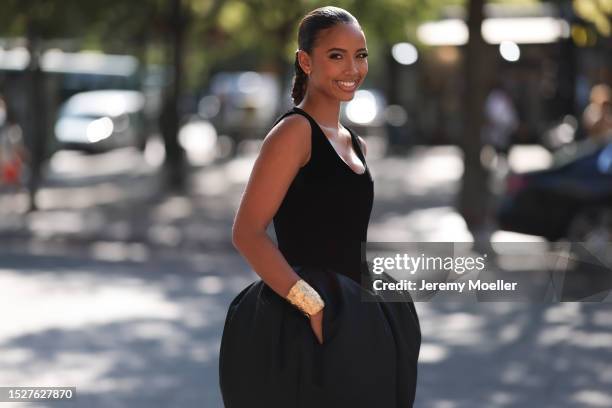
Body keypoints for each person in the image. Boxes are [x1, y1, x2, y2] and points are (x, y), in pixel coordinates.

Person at [218, 6, 421, 407]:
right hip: (304, 323)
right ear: (306, 61)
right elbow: (247, 233)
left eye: (360, 55)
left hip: (361, 313)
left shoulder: (354, 142)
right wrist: (313, 307)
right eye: (336, 55)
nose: (352, 67)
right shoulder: (293, 132)